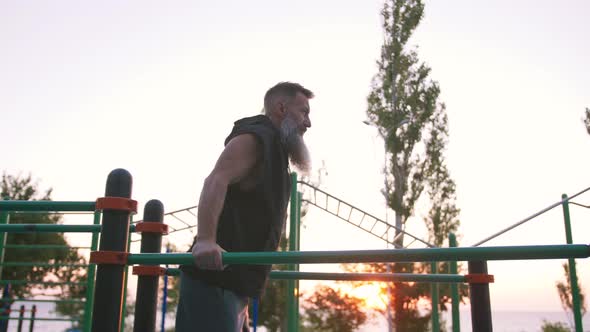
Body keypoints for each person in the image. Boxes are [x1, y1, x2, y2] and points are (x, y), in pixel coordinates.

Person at [176, 82, 313, 332]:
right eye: (303, 112)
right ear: (281, 107)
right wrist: (205, 240)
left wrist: (243, 309)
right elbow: (216, 180)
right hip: (214, 279)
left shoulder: (274, 150)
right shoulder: (255, 137)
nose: (308, 122)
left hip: (234, 285)